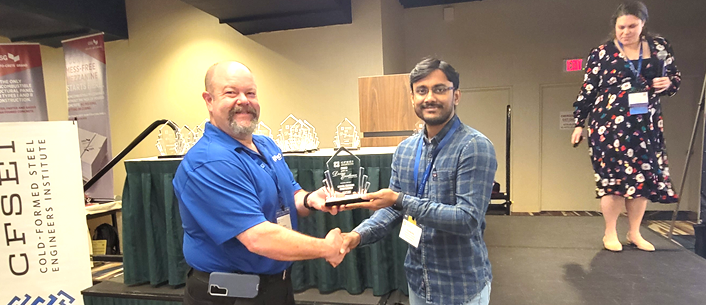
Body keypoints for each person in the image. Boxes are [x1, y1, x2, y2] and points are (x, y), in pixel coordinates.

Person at [173, 61, 344, 305]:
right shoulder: (209, 162)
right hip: (232, 295)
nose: (243, 100)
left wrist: (309, 199)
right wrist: (327, 248)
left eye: (250, 93)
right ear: (209, 100)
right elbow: (257, 237)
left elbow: (288, 194)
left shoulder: (265, 145)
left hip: (276, 286)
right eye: (231, 92)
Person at [341, 58, 498, 305]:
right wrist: (355, 236)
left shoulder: (474, 147)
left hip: (460, 287)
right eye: (421, 91)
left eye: (439, 89)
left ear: (456, 95)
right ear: (412, 98)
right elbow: (392, 211)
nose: (429, 98)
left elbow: (467, 219)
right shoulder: (405, 150)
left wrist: (402, 200)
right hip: (417, 282)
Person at [571, 1, 681, 252]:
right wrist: (579, 123)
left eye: (632, 26)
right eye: (621, 27)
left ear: (643, 24)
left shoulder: (659, 47)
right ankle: (610, 232)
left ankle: (634, 232)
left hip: (645, 124)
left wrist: (668, 83)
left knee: (641, 178)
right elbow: (588, 89)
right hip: (608, 124)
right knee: (612, 179)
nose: (626, 32)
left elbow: (675, 78)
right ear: (615, 26)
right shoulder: (601, 52)